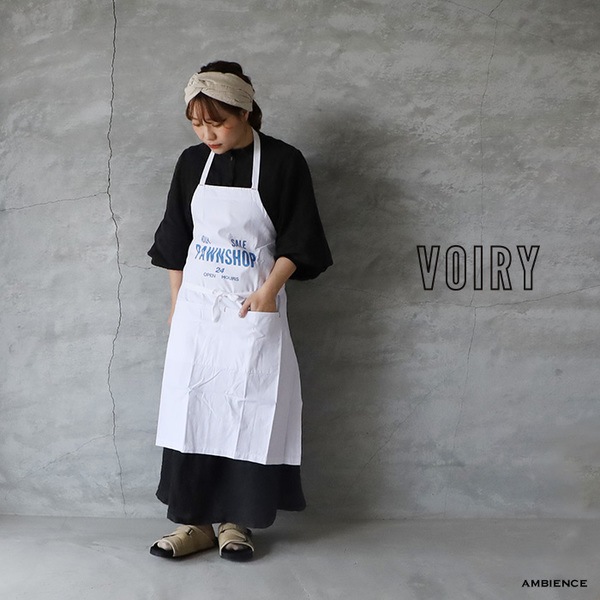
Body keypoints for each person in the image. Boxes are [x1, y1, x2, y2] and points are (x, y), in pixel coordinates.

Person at [147, 60, 333, 561]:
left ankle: (236, 523)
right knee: (193, 410)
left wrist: (269, 292)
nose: (207, 134)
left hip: (254, 310)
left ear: (245, 112)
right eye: (196, 124)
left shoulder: (283, 162)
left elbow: (301, 237)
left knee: (248, 411)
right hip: (196, 311)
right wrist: (177, 303)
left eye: (218, 123)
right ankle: (193, 524)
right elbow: (175, 238)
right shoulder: (192, 163)